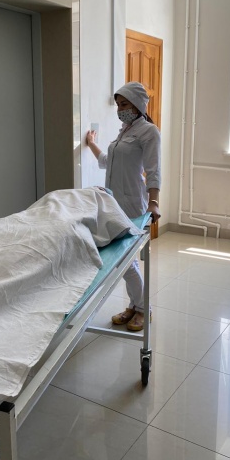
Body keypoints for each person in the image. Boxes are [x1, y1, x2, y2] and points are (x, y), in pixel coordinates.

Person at [86, 82, 161, 331]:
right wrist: (91, 143)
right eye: (118, 105)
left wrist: (154, 202)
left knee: (125, 259)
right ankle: (136, 306)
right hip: (112, 204)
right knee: (126, 260)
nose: (120, 109)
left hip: (132, 204)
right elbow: (107, 161)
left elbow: (153, 170)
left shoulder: (149, 132)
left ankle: (143, 308)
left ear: (138, 105)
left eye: (125, 104)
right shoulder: (124, 132)